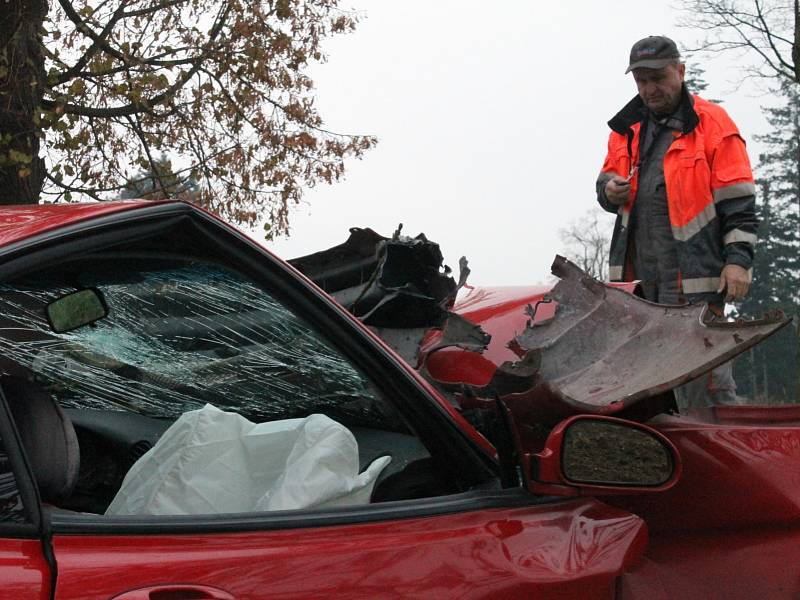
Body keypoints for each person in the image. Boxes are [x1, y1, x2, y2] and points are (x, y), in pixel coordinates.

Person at [596, 35, 758, 408]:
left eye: (658, 78)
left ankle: (724, 457)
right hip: (637, 286)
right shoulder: (626, 129)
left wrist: (738, 262)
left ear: (680, 72)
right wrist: (609, 191)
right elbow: (605, 181)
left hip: (695, 283)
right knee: (643, 384)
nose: (650, 89)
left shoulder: (713, 124)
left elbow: (740, 205)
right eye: (641, 81)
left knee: (708, 383)